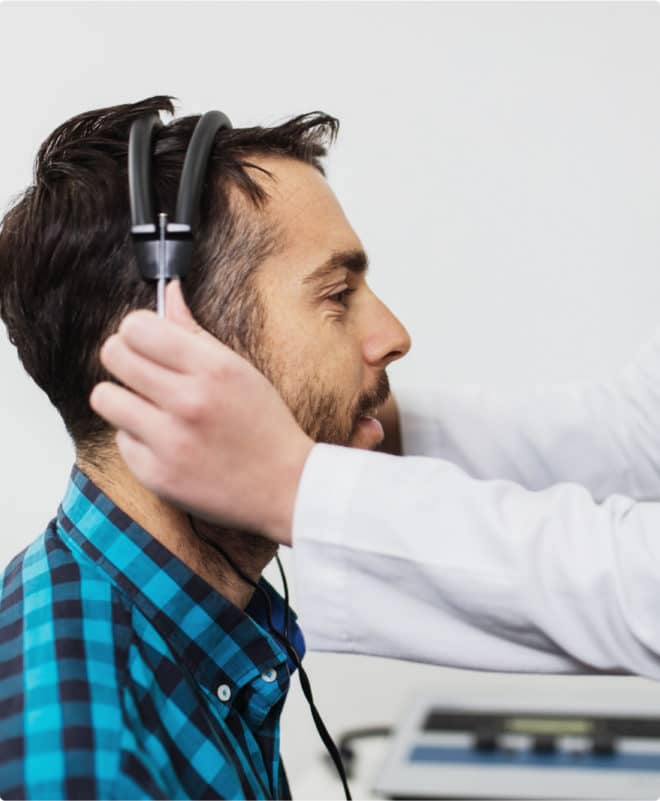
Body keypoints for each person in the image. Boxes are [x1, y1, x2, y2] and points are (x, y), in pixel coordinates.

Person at [0, 95, 410, 798]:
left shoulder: (187, 634)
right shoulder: (89, 759)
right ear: (176, 352)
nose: (393, 335)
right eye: (339, 294)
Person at [91, 229, 660, 682]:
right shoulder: (86, 732)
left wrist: (298, 484)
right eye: (338, 295)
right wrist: (335, 423)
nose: (397, 336)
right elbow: (637, 432)